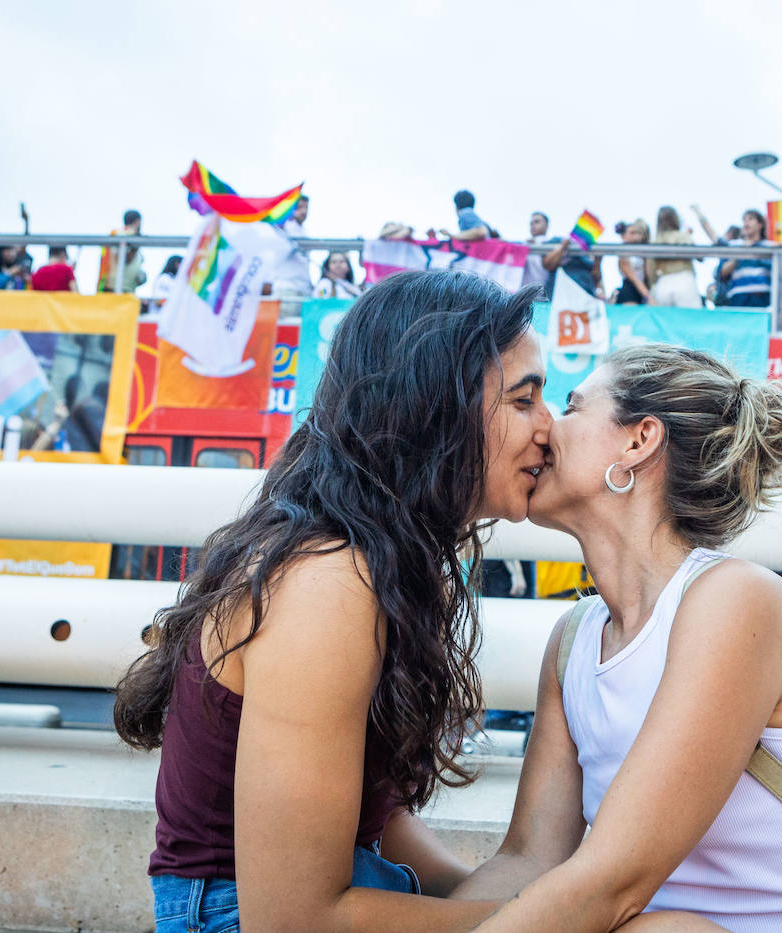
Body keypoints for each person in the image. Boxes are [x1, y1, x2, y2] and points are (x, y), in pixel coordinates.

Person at [115, 271, 559, 931]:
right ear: (436, 404)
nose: (550, 429)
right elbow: (292, 916)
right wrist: (542, 921)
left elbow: (362, 818)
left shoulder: (378, 557)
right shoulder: (328, 579)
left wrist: (484, 900)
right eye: (525, 400)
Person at [455, 344, 782, 933]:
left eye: (571, 406)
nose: (545, 429)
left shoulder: (735, 602)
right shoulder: (573, 641)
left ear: (639, 441)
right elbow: (528, 861)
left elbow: (611, 883)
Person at [716, 209, 773, 307]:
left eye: (750, 219)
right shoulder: (734, 245)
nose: (746, 222)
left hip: (763, 297)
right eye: (744, 220)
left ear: (760, 225)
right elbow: (722, 272)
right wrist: (743, 252)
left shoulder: (770, 246)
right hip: (738, 297)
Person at [648, 206, 701, 308]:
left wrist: (652, 285)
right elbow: (700, 257)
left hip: (663, 282)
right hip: (684, 280)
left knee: (664, 321)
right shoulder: (683, 236)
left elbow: (651, 267)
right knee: (690, 319)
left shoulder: (655, 239)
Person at [273, 195, 314, 301]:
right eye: (299, 207)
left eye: (306, 208)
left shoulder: (304, 231)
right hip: (287, 287)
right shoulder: (284, 227)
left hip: (303, 288)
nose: (304, 211)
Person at [99, 209, 147, 294]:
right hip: (117, 288)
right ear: (138, 221)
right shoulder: (124, 235)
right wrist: (135, 247)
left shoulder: (121, 235)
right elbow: (123, 258)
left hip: (122, 287)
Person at [614, 219, 650, 305]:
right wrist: (648, 296)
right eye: (632, 233)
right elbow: (631, 276)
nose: (636, 236)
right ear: (624, 236)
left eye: (638, 232)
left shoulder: (643, 252)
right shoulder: (623, 252)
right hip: (629, 292)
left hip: (642, 291)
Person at [522, 211, 551, 291]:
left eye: (537, 222)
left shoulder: (552, 244)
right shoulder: (524, 245)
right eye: (531, 223)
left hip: (545, 296)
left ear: (546, 225)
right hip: (524, 294)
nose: (533, 225)